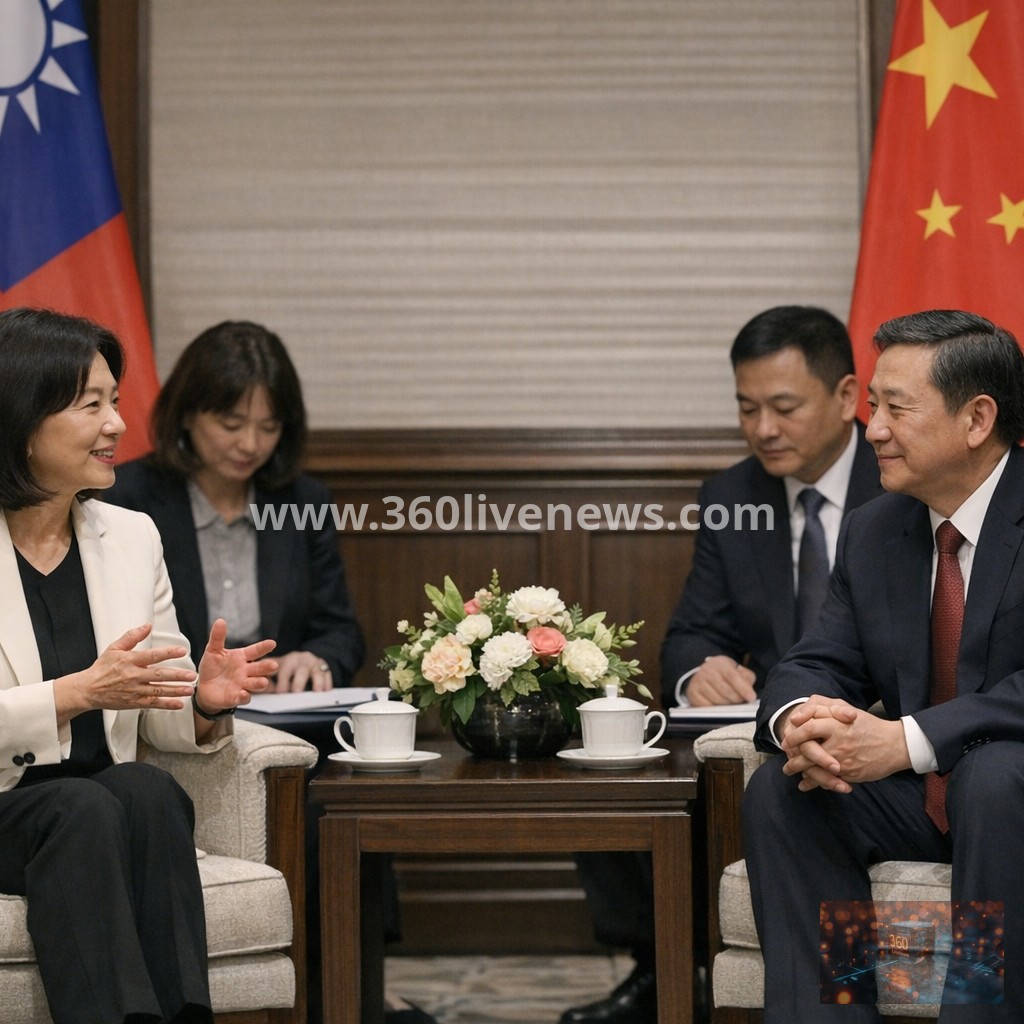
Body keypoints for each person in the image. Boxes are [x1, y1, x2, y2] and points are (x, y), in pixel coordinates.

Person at [104, 320, 434, 1024]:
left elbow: (342, 626)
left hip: (290, 719)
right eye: (231, 422)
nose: (250, 444)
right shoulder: (129, 501)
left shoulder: (298, 499)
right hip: (185, 716)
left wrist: (318, 657)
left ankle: (354, 980)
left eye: (268, 425)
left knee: (346, 789)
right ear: (188, 414)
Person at [563, 305, 883, 1024]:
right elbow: (686, 635)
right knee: (612, 752)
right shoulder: (733, 497)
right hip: (766, 726)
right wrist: (697, 669)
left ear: (843, 397)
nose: (762, 428)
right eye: (746, 408)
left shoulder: (899, 483)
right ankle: (661, 969)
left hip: (872, 731)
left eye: (783, 407)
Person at [745, 309, 1024, 1021]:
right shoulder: (877, 528)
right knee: (790, 789)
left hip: (1007, 796)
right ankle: (835, 1010)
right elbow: (817, 659)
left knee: (992, 777)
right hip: (930, 799)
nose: (872, 429)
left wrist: (902, 739)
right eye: (873, 405)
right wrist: (801, 721)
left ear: (977, 418)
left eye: (896, 408)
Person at [0, 307, 277, 1024]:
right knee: (85, 802)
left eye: (115, 401)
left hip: (96, 806)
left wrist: (204, 702)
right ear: (23, 419)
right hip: (10, 803)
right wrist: (71, 695)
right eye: (91, 405)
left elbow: (161, 710)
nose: (119, 424)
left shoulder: (129, 535)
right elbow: (89, 696)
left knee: (148, 793)